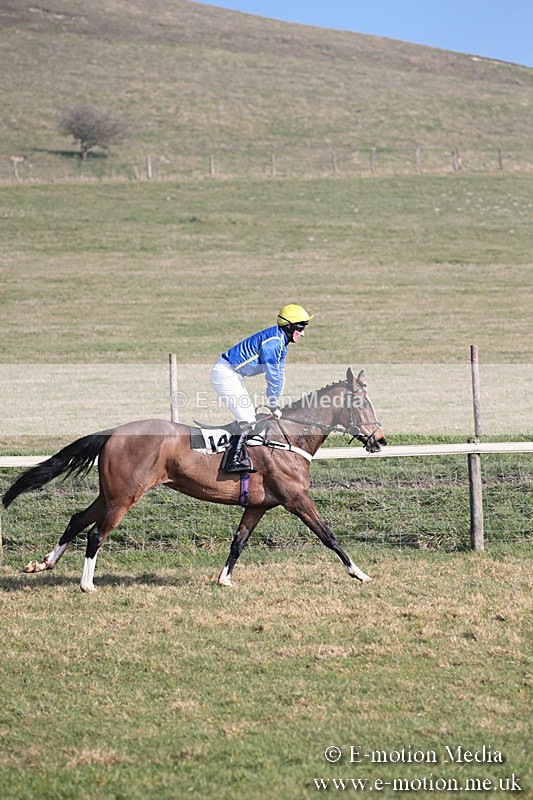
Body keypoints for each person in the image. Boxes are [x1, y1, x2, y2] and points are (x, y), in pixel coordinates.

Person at [210, 304, 313, 472]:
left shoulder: (280, 340)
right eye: (300, 327)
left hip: (232, 374)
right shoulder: (274, 343)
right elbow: (273, 376)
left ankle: (236, 455)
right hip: (225, 374)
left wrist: (274, 403)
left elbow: (278, 374)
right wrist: (273, 405)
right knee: (247, 418)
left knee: (249, 417)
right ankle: (232, 461)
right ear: (289, 326)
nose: (303, 333)